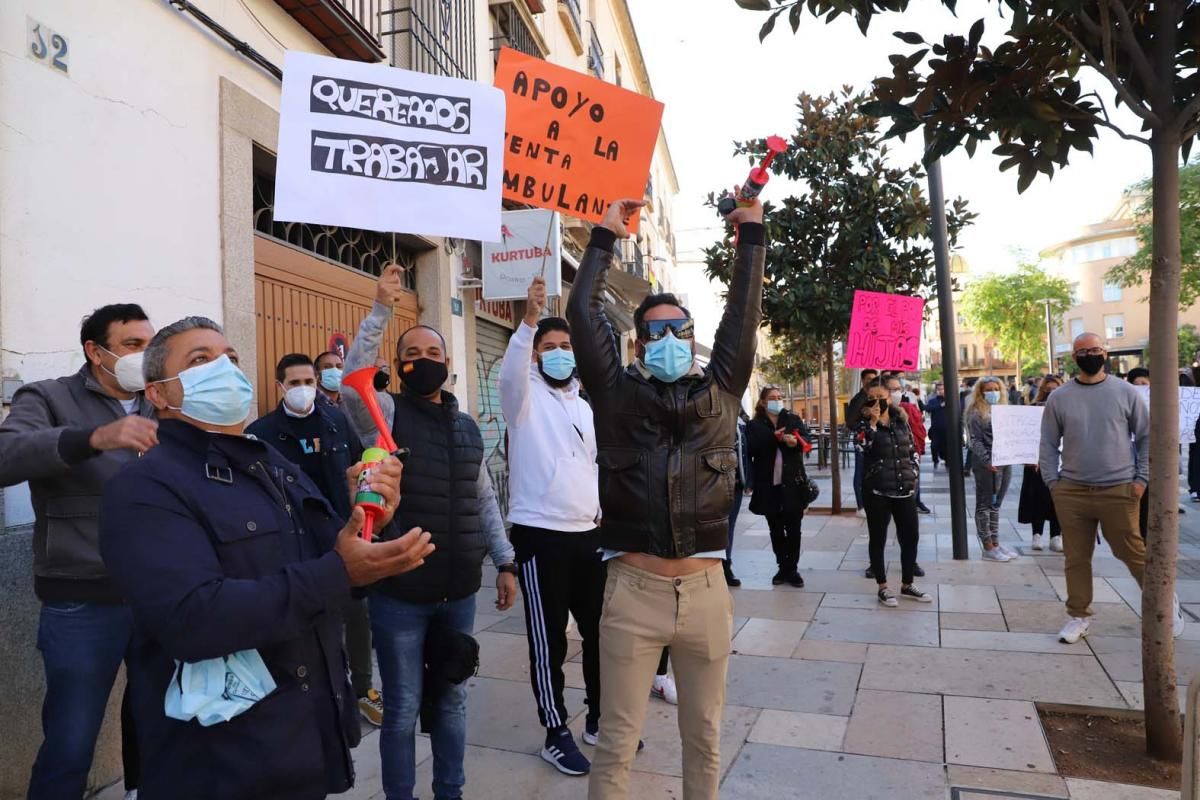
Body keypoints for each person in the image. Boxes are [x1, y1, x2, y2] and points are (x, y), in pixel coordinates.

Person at [98, 316, 433, 800]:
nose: (225, 369)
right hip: (222, 763)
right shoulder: (144, 487)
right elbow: (191, 619)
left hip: (304, 741)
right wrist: (338, 569)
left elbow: (338, 568)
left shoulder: (271, 464)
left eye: (230, 358)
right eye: (200, 360)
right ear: (158, 394)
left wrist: (370, 525)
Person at [566, 193, 763, 800]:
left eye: (678, 328)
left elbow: (744, 314)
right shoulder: (615, 395)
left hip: (706, 595)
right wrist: (603, 236)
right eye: (656, 330)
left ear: (692, 336)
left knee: (704, 736)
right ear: (639, 342)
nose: (668, 337)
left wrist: (752, 235)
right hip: (632, 591)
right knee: (618, 739)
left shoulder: (723, 389)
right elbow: (581, 311)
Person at [343, 265, 519, 800]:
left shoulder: (467, 426)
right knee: (399, 709)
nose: (425, 361)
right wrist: (379, 311)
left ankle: (451, 792)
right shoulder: (387, 413)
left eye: (435, 354)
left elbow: (484, 498)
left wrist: (505, 561)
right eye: (413, 354)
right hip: (400, 591)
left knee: (453, 701)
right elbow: (354, 383)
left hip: (459, 590)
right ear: (398, 365)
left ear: (448, 364)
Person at [0, 304, 156, 800]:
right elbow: (5, 456)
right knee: (71, 739)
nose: (144, 356)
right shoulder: (48, 396)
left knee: (159, 724)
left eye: (150, 345)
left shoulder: (162, 400)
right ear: (96, 351)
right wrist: (92, 438)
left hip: (160, 593)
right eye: (133, 346)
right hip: (82, 599)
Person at [499, 276, 602, 777]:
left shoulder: (583, 405)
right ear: (536, 354)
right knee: (550, 642)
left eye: (565, 347)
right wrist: (528, 322)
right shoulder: (523, 398)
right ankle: (555, 730)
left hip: (589, 535)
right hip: (540, 536)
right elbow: (511, 373)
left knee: (600, 632)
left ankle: (599, 718)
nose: (558, 353)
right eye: (549, 347)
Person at [245, 354, 382, 727]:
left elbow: (357, 470)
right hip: (292, 545)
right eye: (294, 383)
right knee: (309, 622)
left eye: (309, 382)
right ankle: (318, 694)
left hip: (341, 533)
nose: (303, 390)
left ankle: (362, 690)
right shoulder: (261, 433)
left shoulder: (338, 422)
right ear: (279, 387)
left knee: (357, 616)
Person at [1040, 332, 1183, 644]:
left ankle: (1163, 604)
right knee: (1076, 557)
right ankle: (1078, 615)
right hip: (1072, 490)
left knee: (1131, 550)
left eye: (1095, 349)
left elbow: (1146, 436)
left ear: (1105, 353)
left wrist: (1141, 480)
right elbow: (1048, 443)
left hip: (1119, 488)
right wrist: (1054, 483)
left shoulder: (1125, 392)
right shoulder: (1059, 397)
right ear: (1074, 357)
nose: (1090, 354)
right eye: (1083, 351)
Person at [855, 380, 931, 606]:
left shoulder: (901, 420)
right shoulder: (862, 424)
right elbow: (863, 448)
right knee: (878, 538)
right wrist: (873, 423)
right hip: (878, 491)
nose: (878, 400)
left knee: (911, 537)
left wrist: (913, 474)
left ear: (889, 397)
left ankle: (907, 584)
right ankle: (883, 587)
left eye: (882, 395)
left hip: (904, 489)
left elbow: (911, 450)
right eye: (873, 396)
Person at [746, 386, 812, 588]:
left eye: (780, 397)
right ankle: (782, 566)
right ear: (763, 402)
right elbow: (752, 447)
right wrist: (775, 438)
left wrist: (795, 443)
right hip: (768, 484)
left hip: (793, 483)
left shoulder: (792, 419)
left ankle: (792, 569)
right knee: (775, 529)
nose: (777, 400)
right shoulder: (755, 424)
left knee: (794, 529)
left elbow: (806, 440)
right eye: (772, 398)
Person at [966, 377, 1018, 562]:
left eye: (997, 388)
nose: (993, 392)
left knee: (996, 505)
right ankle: (987, 545)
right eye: (989, 389)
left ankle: (995, 542)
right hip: (986, 464)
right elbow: (974, 440)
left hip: (1005, 461)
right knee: (984, 505)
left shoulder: (1003, 410)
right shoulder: (975, 413)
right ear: (980, 392)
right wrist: (987, 461)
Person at [1018, 375, 1064, 552]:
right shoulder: (1032, 409)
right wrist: (1030, 457)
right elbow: (1026, 436)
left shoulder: (1067, 411)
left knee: (1057, 501)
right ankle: (1036, 535)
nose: (1051, 392)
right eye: (1048, 389)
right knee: (1037, 499)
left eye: (1055, 389)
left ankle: (1056, 536)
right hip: (1036, 463)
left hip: (1060, 463)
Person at [845, 368, 881, 515]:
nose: (870, 381)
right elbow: (850, 422)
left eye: (873, 379)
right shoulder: (859, 399)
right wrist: (865, 425)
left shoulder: (874, 397)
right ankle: (860, 506)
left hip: (874, 438)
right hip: (862, 440)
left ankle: (870, 502)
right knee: (860, 472)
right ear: (863, 380)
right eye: (868, 379)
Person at [725, 410, 753, 587]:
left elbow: (747, 452)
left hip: (735, 483)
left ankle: (725, 564)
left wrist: (748, 479)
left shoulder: (741, 421)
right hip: (712, 483)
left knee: (729, 526)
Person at [897, 380, 931, 514]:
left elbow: (918, 427)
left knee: (913, 476)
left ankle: (914, 502)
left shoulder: (909, 403)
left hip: (910, 448)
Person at [926, 382, 948, 469]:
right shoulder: (933, 401)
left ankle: (947, 461)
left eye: (942, 389)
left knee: (947, 446)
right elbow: (928, 408)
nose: (940, 391)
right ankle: (935, 460)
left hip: (947, 428)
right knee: (934, 446)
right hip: (936, 428)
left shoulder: (950, 399)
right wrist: (940, 406)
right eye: (939, 389)